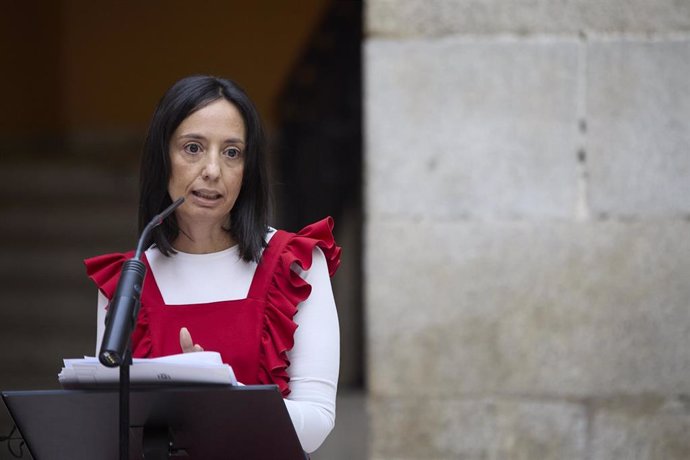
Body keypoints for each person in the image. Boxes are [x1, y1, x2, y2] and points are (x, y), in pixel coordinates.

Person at [84, 75, 341, 454]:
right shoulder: (129, 279)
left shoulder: (296, 264)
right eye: (193, 148)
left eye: (232, 152)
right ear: (162, 158)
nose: (212, 170)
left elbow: (317, 422)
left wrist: (224, 400)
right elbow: (115, 426)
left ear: (247, 169)